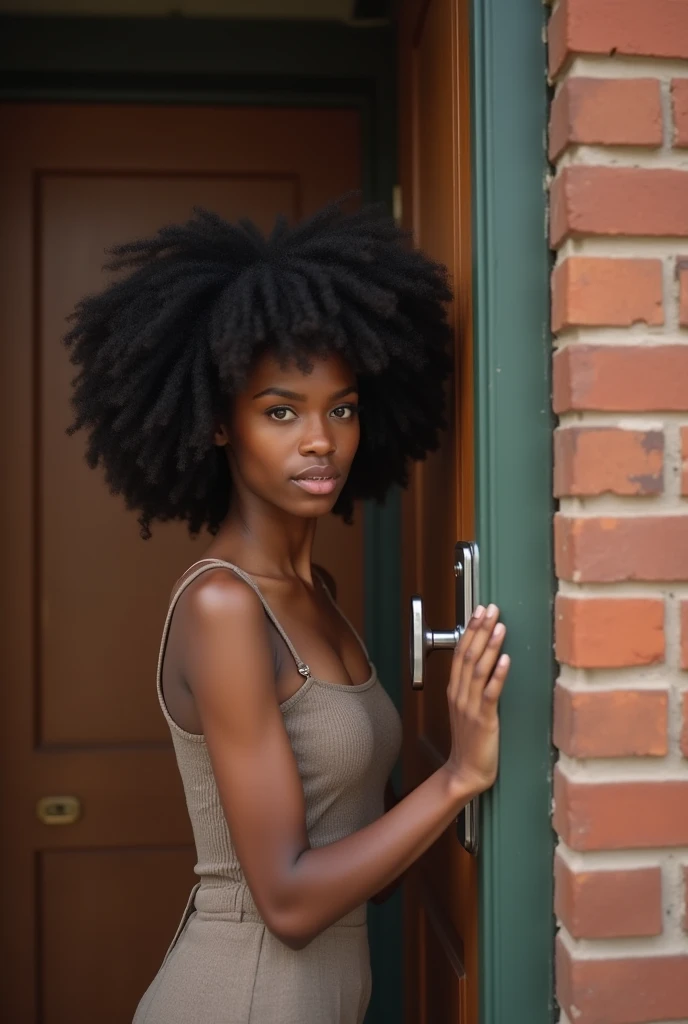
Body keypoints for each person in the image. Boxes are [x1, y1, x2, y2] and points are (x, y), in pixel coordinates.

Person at [64, 200, 509, 1024]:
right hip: (241, 995)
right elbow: (293, 904)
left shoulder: (318, 593)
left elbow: (357, 847)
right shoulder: (223, 605)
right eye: (281, 411)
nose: (321, 441)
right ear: (220, 425)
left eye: (341, 408)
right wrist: (458, 778)